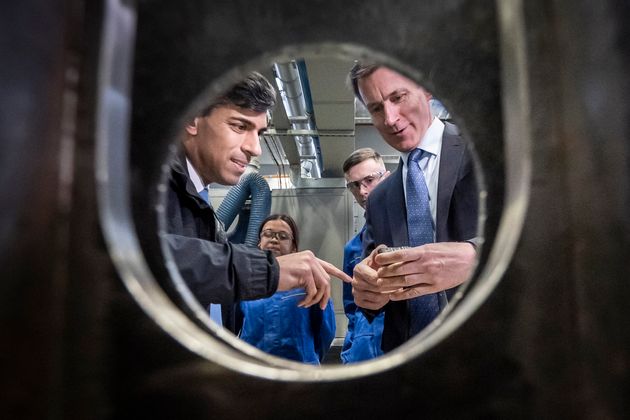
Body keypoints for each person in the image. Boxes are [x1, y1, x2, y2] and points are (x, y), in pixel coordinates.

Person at [164, 71, 351, 333]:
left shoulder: (198, 201)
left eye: (259, 132)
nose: (255, 148)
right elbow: (151, 256)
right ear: (192, 119)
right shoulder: (149, 186)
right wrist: (267, 270)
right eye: (239, 126)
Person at [348, 63, 479, 352]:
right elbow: (373, 273)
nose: (391, 119)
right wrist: (368, 292)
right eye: (376, 109)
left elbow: (543, 233)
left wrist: (476, 257)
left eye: (398, 97)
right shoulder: (380, 198)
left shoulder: (484, 152)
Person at [239, 214, 336, 364]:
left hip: (301, 371)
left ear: (294, 248)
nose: (274, 239)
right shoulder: (245, 282)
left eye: (283, 236)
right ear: (259, 242)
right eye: (268, 234)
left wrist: (309, 358)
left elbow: (325, 332)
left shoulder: (311, 282)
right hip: (253, 370)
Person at [339, 148, 389, 363]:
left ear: (386, 178)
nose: (362, 191)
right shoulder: (352, 248)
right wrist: (350, 352)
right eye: (354, 185)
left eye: (369, 180)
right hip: (362, 355)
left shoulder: (415, 232)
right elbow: (352, 309)